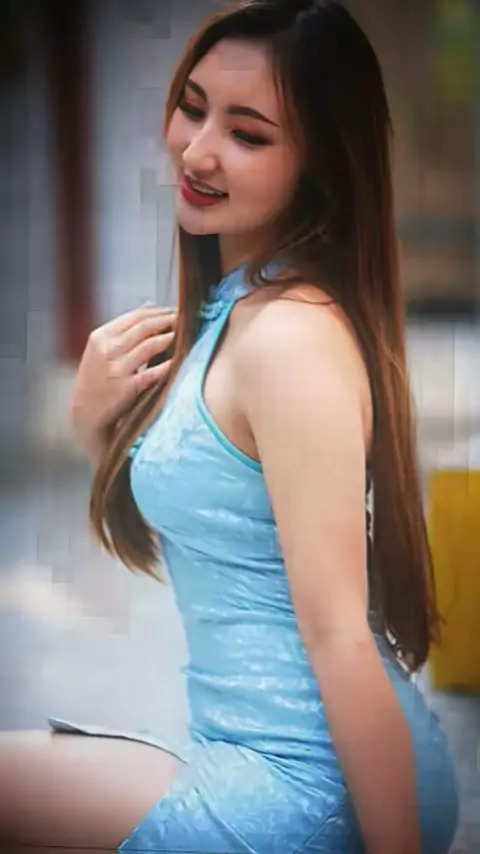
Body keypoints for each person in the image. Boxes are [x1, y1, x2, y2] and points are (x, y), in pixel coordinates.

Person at [0, 1, 459, 852]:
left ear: (321, 166)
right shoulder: (236, 311)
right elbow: (219, 547)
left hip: (307, 780)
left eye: (248, 134)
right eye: (193, 107)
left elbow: (337, 636)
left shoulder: (289, 339)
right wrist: (98, 428)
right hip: (249, 749)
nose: (198, 150)